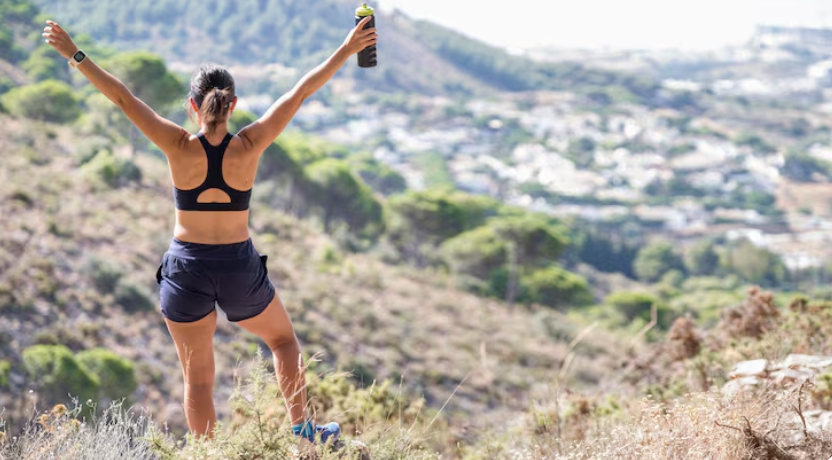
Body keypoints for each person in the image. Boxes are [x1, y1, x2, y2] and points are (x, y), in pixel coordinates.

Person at [42, 15, 378, 444]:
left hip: (187, 269)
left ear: (192, 106)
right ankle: (303, 435)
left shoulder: (177, 144)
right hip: (238, 266)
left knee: (197, 380)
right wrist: (348, 49)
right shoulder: (251, 145)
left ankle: (206, 455)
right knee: (283, 342)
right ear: (232, 104)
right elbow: (302, 91)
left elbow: (123, 99)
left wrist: (75, 53)